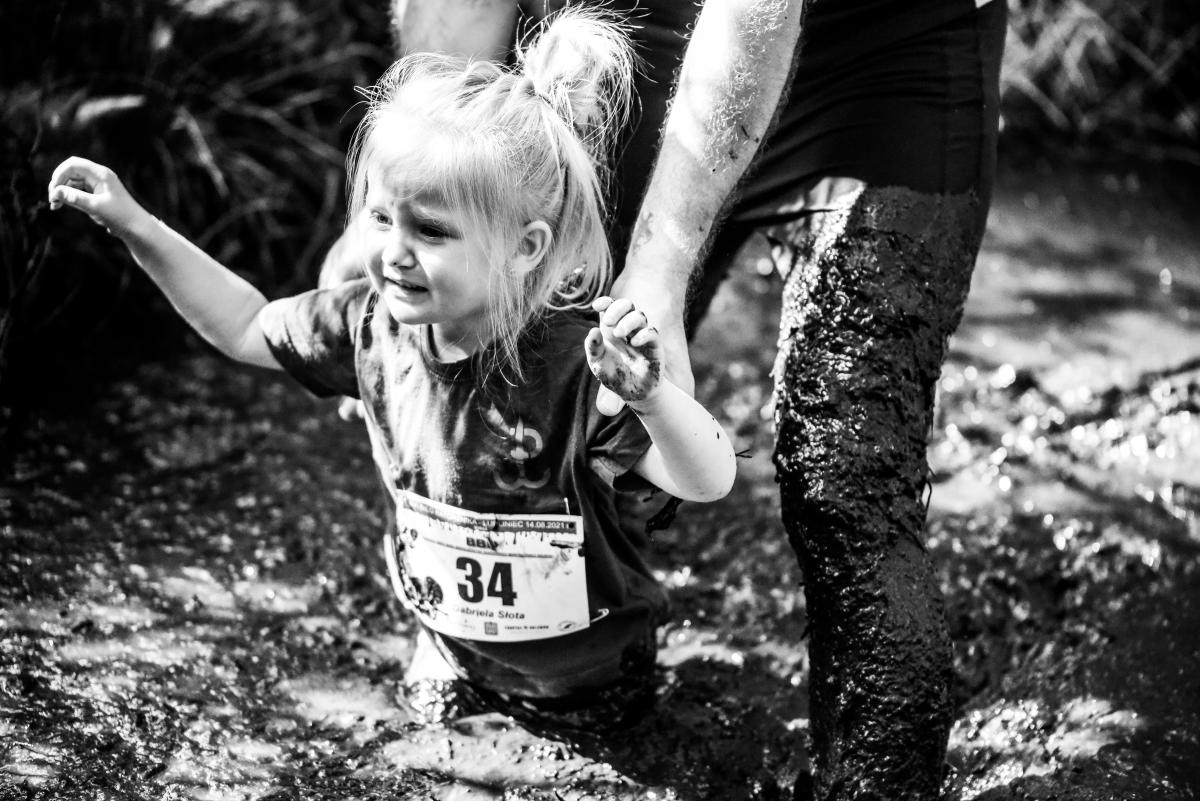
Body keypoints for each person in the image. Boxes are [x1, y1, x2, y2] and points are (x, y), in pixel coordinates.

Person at [326, 1, 1006, 798]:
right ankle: (469, 659)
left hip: (891, 59)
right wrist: (404, 185)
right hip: (647, 35)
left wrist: (662, 260)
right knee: (530, 371)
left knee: (846, 478)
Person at [46, 9, 736, 730]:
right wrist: (136, 225)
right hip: (448, 652)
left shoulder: (578, 364)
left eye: (430, 230)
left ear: (526, 247)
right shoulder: (369, 326)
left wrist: (651, 397)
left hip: (590, 682)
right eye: (381, 218)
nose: (393, 253)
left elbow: (708, 479)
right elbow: (246, 326)